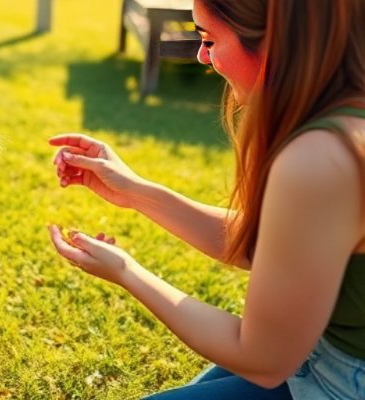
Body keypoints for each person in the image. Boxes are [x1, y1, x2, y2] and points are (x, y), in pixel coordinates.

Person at [47, 0, 365, 398]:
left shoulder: (320, 157)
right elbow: (269, 246)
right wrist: (134, 190)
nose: (201, 56)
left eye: (209, 39)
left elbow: (263, 360)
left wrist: (127, 270)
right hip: (319, 351)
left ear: (275, 43)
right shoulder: (344, 115)